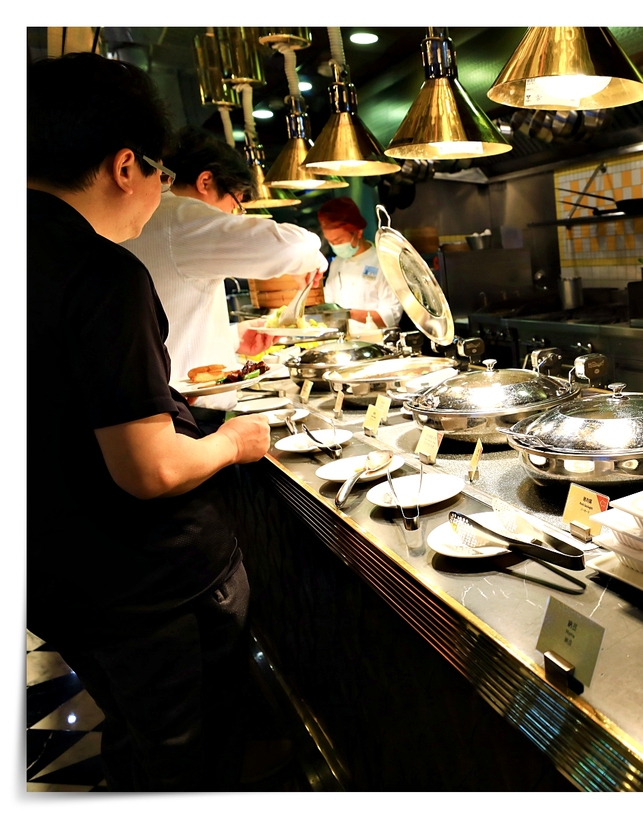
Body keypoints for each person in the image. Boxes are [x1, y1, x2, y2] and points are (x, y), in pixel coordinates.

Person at [27, 52, 270, 790]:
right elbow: (150, 468)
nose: (158, 194)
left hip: (57, 577)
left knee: (139, 738)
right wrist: (231, 440)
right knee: (188, 762)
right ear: (126, 165)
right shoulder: (100, 273)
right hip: (152, 588)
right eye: (161, 175)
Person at [122, 126, 327, 411]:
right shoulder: (181, 218)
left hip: (157, 405)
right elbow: (292, 247)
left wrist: (232, 338)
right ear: (206, 181)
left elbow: (171, 327)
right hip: (190, 413)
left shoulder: (144, 219)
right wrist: (316, 258)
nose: (233, 215)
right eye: (236, 203)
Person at [316, 197, 403, 330]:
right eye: (330, 241)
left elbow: (390, 317)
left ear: (358, 232)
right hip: (342, 342)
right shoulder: (337, 263)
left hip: (376, 344)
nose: (335, 246)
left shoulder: (383, 263)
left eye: (339, 241)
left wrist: (347, 314)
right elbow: (328, 303)